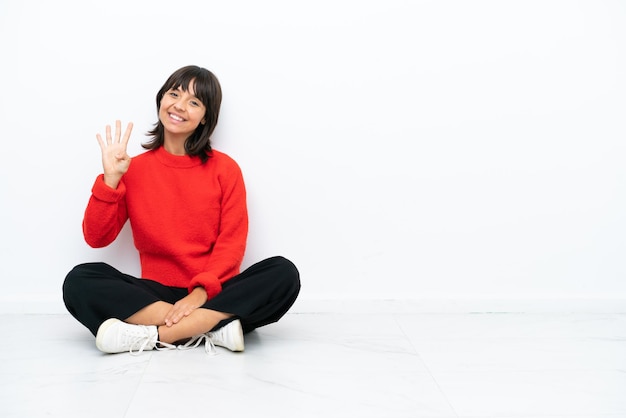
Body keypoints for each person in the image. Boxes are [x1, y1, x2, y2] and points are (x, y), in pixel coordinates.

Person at [63, 65, 301, 355]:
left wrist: (200, 295)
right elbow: (96, 238)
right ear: (161, 99)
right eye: (174, 94)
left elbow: (232, 243)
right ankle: (213, 327)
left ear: (205, 118)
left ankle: (153, 336)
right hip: (154, 293)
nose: (179, 106)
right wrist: (111, 180)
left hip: (213, 290)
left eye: (194, 102)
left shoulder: (225, 169)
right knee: (79, 280)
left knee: (283, 273)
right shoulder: (134, 169)